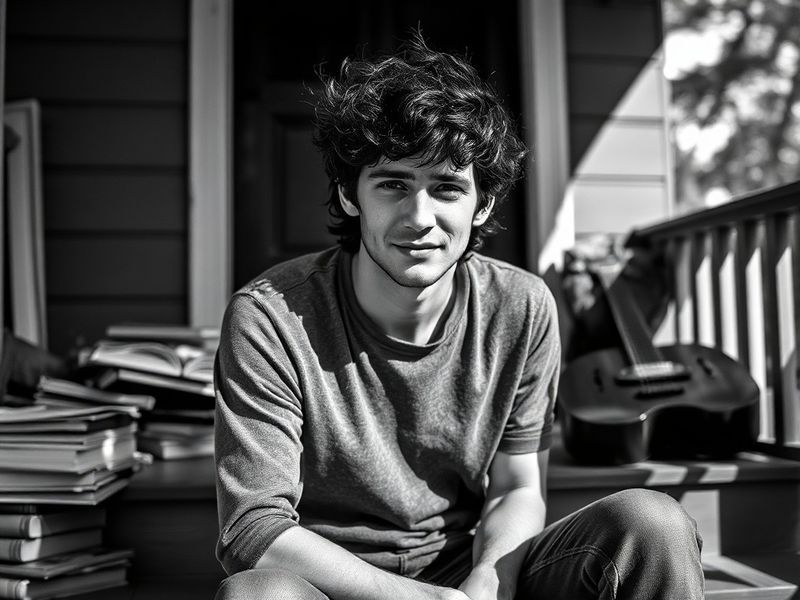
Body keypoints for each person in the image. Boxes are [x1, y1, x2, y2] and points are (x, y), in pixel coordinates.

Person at [213, 35, 704, 600]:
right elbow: (253, 530)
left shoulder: (521, 305)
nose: (420, 218)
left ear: (484, 204)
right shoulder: (269, 316)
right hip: (325, 583)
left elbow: (517, 486)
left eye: (447, 187)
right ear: (350, 194)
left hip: (463, 571)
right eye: (393, 183)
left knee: (654, 523)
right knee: (259, 595)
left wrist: (487, 583)